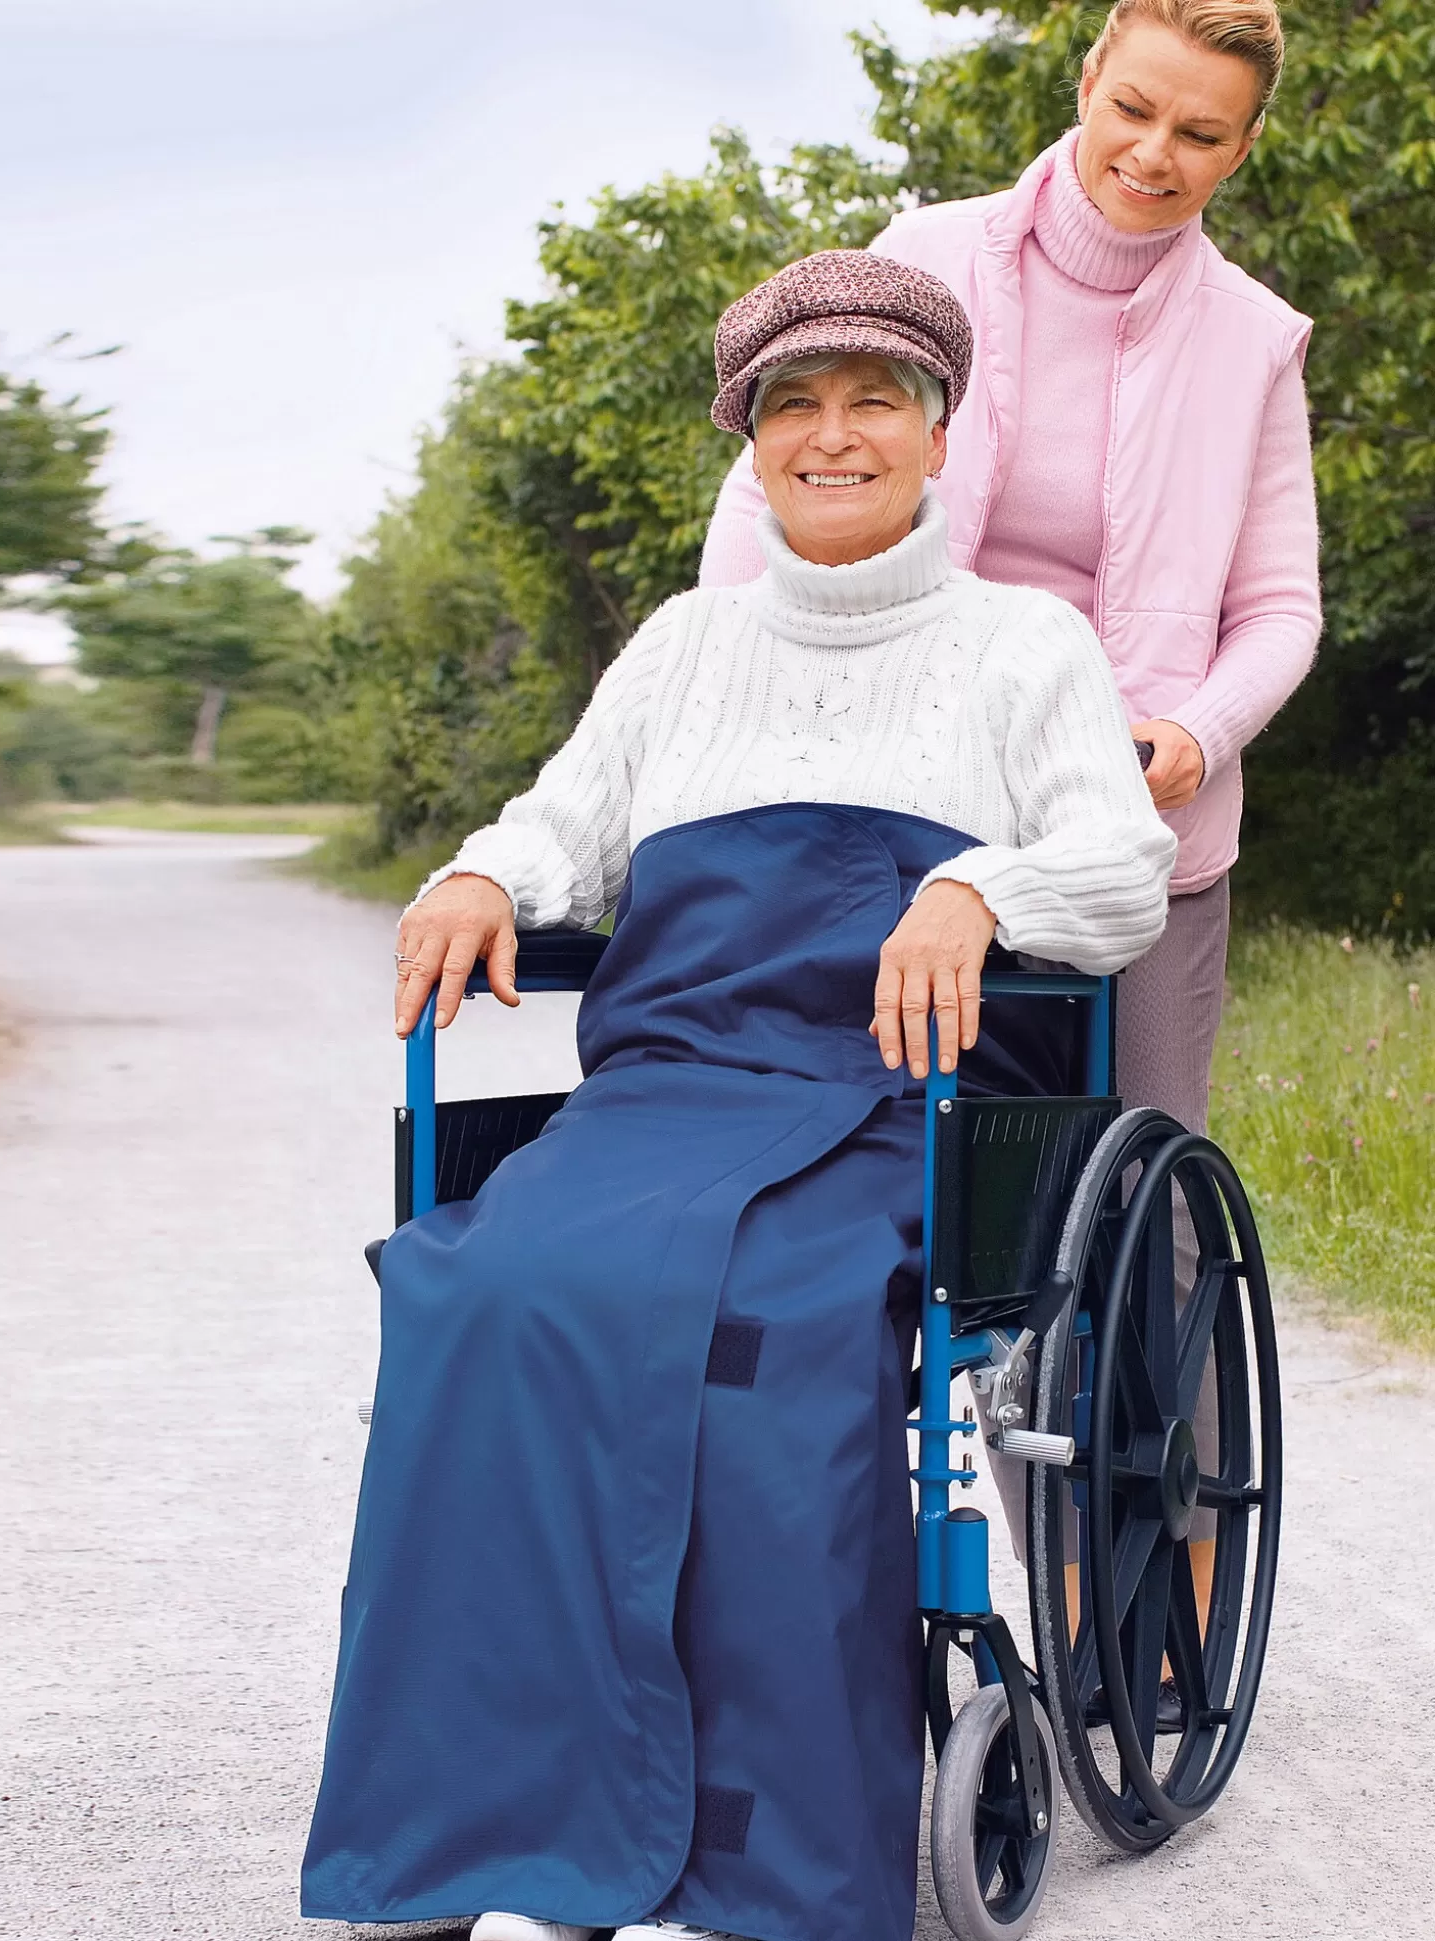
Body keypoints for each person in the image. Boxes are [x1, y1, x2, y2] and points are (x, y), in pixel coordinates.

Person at [301, 251, 1174, 1941]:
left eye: (873, 402)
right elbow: (564, 824)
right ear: (749, 440)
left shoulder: (1020, 645)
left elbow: (1122, 868)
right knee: (478, 1290)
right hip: (671, 1093)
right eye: (795, 405)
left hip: (890, 1102)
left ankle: (754, 1869)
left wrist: (979, 891)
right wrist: (483, 872)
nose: (831, 435)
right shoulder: (684, 647)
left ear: (938, 435)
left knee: (766, 1337)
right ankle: (488, 1837)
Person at [699, 0, 1318, 1145]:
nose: (1150, 154)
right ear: (1086, 85)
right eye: (1131, 108)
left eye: (1197, 133)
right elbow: (769, 486)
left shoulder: (1254, 339)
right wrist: (738, 683)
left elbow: (1278, 607)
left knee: (1146, 1159)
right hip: (893, 778)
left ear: (1239, 149)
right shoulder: (924, 254)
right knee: (858, 1139)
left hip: (1131, 807)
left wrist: (1195, 732)